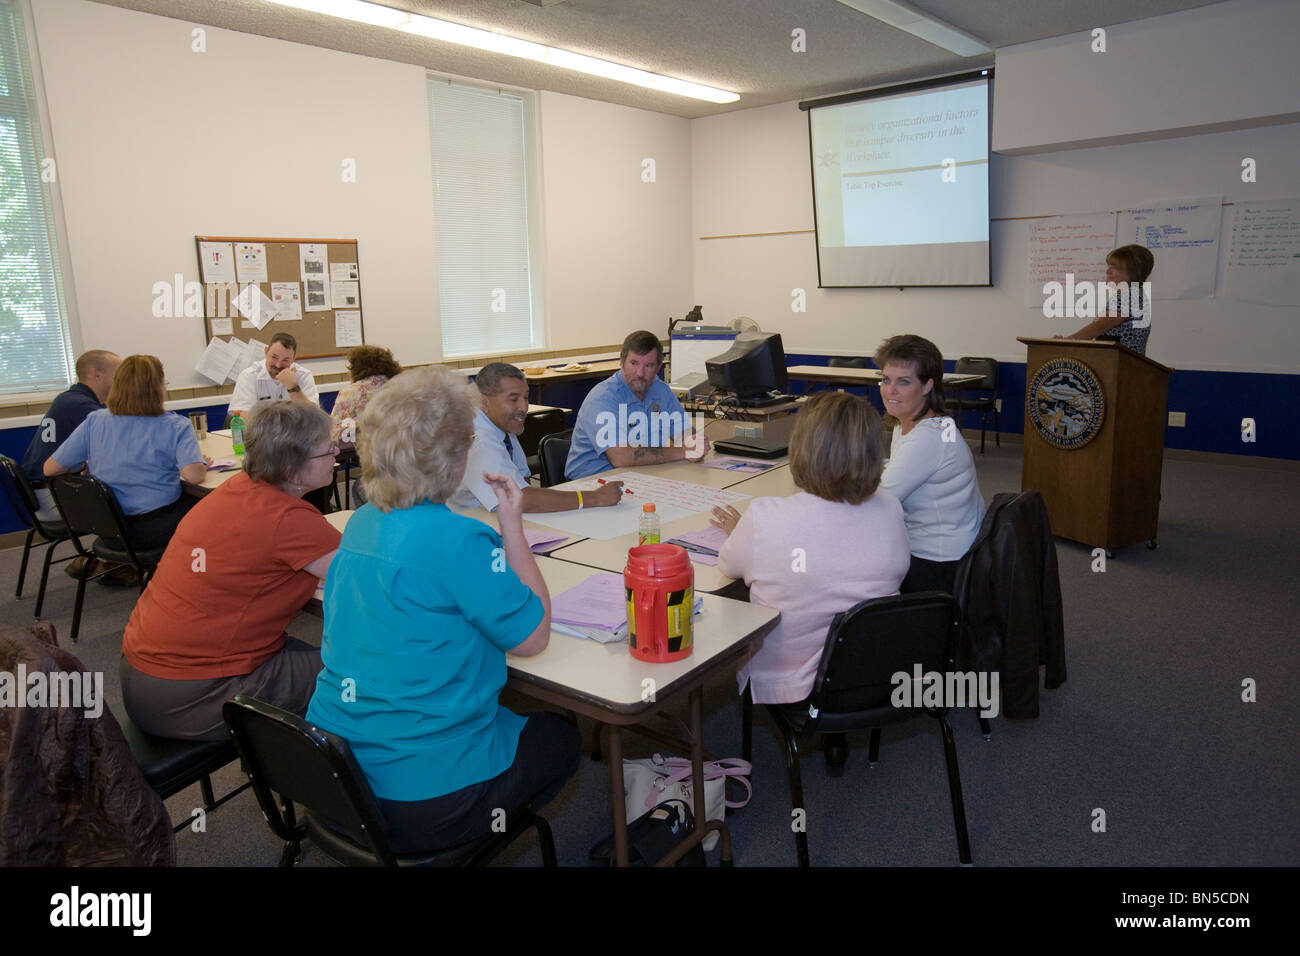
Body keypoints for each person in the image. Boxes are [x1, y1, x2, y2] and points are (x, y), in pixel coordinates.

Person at [307, 365, 580, 853]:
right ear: (454, 459)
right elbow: (535, 635)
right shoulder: (459, 539)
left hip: (334, 774)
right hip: (422, 799)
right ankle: (483, 837)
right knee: (562, 736)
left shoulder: (361, 523)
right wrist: (511, 524)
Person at [119, 401, 341, 741]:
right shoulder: (287, 518)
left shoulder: (236, 490)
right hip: (194, 695)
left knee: (318, 652)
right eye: (327, 452)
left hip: (144, 675)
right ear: (291, 469)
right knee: (363, 673)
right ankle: (338, 778)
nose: (336, 455)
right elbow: (367, 580)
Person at [709, 390, 910, 706]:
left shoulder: (766, 517)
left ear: (800, 448)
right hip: (873, 670)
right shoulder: (890, 507)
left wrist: (741, 532)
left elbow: (728, 565)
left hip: (788, 682)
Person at [43, 354, 207, 552]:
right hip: (156, 528)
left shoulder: (94, 421)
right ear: (158, 388)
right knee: (208, 506)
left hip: (109, 530)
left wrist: (89, 465)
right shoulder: (176, 425)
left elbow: (50, 469)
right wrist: (200, 463)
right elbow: (194, 476)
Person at [874, 335, 985, 596]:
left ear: (927, 386)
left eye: (904, 382)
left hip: (939, 562)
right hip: (949, 546)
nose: (890, 390)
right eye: (886, 379)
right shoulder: (912, 423)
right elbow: (896, 472)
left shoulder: (928, 438)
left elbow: (877, 502)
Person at [451, 362, 625, 512]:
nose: (523, 407)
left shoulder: (503, 426)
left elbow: (524, 481)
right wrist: (594, 498)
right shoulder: (477, 438)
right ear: (484, 403)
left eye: (526, 397)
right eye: (513, 399)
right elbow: (519, 498)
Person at [565, 330, 710, 480]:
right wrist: (682, 451)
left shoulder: (661, 391)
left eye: (648, 365)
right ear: (621, 361)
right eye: (634, 363)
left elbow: (686, 436)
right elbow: (620, 457)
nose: (640, 373)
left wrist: (694, 443)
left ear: (658, 367)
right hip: (591, 483)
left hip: (641, 476)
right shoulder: (603, 397)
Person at [20, 349, 121, 524]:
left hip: (45, 491)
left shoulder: (69, 399)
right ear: (96, 374)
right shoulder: (82, 406)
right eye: (118, 372)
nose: (123, 379)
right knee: (134, 501)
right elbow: (122, 437)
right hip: (52, 496)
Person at [1063, 244, 1155, 355]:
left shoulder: (1130, 294)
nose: (1108, 272)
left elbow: (1102, 325)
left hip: (1121, 366)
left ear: (1132, 272)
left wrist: (1067, 342)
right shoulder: (1133, 293)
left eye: (1115, 268)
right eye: (1109, 266)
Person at [227, 331, 320, 419]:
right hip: (260, 433)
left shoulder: (303, 375)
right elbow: (242, 414)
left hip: (294, 434)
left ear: (293, 359)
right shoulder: (249, 375)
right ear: (266, 352)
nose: (278, 365)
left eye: (285, 360)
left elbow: (313, 416)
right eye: (274, 357)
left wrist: (293, 387)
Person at [330, 344, 401, 445]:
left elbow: (336, 433)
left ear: (358, 368)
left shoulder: (352, 391)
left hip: (364, 454)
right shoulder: (400, 387)